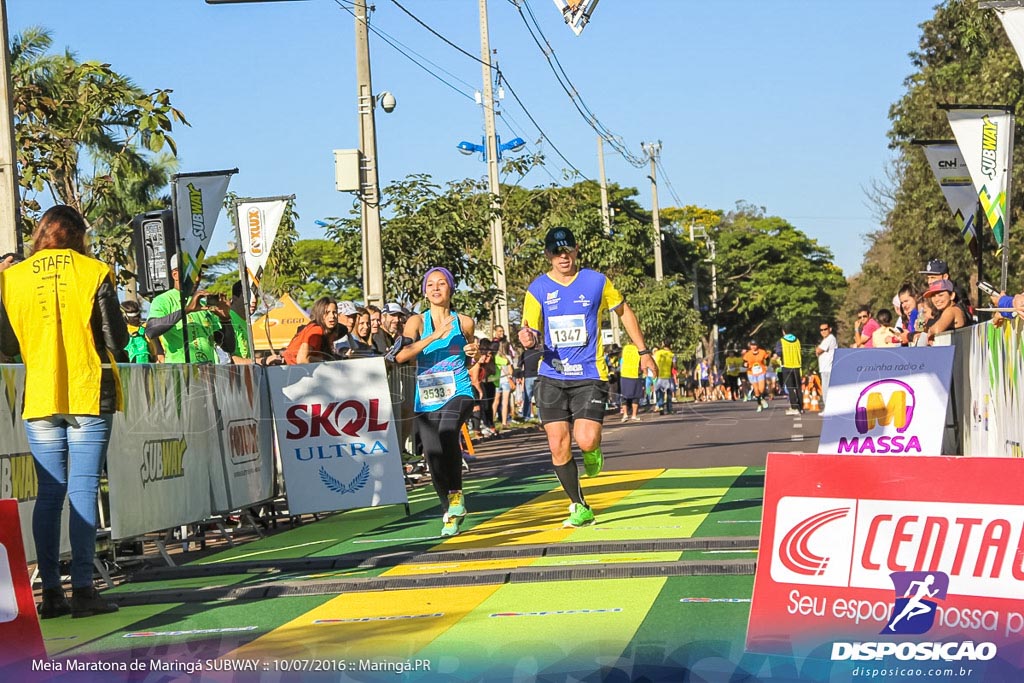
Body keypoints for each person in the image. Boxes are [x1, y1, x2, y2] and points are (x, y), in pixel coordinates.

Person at [0, 205, 127, 618]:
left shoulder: (11, 279)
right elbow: (116, 338)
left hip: (39, 395)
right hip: (89, 391)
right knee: (83, 489)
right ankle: (85, 591)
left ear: (40, 234)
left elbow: (5, 344)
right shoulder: (93, 272)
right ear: (78, 234)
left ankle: (51, 594)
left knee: (50, 494)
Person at [518, 227, 656, 528]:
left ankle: (593, 450)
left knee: (586, 439)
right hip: (551, 375)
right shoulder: (538, 288)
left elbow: (625, 313)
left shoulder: (597, 281)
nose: (562, 257)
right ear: (548, 255)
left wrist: (644, 351)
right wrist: (527, 336)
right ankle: (578, 505)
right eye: (556, 252)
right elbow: (529, 327)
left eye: (567, 250)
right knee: (557, 445)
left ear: (576, 250)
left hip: (590, 374)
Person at [396, 267, 479, 537]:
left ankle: (456, 496)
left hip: (459, 390)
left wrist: (473, 354)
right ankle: (450, 511)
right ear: (424, 291)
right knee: (432, 456)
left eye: (441, 283)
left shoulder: (464, 322)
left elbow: (470, 356)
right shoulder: (416, 323)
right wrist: (433, 336)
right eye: (430, 284)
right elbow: (401, 356)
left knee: (447, 432)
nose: (435, 288)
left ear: (450, 289)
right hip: (428, 397)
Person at [145, 254, 235, 363]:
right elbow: (151, 331)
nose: (197, 279)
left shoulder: (203, 305)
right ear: (175, 275)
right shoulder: (163, 300)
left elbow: (229, 348)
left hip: (208, 374)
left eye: (199, 273)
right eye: (192, 273)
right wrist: (187, 310)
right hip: (181, 374)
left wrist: (225, 319)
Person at [281, 297, 343, 364]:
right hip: (294, 370)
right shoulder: (316, 330)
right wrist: (325, 360)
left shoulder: (315, 328)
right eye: (327, 312)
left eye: (334, 312)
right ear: (319, 313)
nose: (332, 316)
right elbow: (302, 359)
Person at [775, 327, 803, 416]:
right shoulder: (797, 340)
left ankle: (794, 408)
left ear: (783, 331)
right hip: (797, 365)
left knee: (790, 388)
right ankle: (801, 407)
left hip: (787, 366)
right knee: (798, 387)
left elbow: (779, 353)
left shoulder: (781, 341)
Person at [742, 339, 772, 412]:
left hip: (761, 372)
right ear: (750, 346)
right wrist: (745, 365)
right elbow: (744, 363)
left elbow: (767, 358)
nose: (753, 347)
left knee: (761, 388)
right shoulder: (747, 354)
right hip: (751, 373)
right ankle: (759, 404)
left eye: (755, 345)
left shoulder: (762, 352)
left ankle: (761, 398)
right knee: (756, 390)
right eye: (752, 345)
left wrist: (766, 365)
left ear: (757, 345)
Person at [618, 341, 643, 422]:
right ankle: (634, 415)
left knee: (624, 396)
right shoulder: (640, 349)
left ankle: (625, 415)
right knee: (636, 396)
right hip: (635, 374)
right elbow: (641, 362)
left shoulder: (625, 348)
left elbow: (621, 360)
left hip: (624, 374)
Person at [815, 322, 838, 405]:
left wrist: (817, 350)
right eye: (821, 330)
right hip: (825, 368)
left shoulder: (830, 338)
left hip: (828, 368)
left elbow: (818, 350)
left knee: (826, 390)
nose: (823, 331)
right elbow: (818, 351)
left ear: (830, 329)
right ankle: (828, 408)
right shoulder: (825, 340)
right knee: (825, 389)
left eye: (825, 329)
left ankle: (828, 408)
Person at [653, 341, 675, 415]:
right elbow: (674, 366)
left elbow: (655, 364)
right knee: (669, 393)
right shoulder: (672, 355)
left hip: (660, 376)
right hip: (668, 376)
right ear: (670, 345)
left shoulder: (658, 353)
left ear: (663, 344)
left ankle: (661, 407)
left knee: (660, 393)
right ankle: (669, 409)